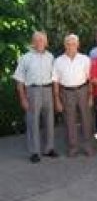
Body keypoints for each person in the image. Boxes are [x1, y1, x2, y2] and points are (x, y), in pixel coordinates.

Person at [13, 31, 58, 163]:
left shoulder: (50, 57)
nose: (39, 43)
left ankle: (49, 148)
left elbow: (55, 76)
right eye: (37, 40)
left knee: (49, 120)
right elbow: (19, 80)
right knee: (33, 122)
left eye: (42, 40)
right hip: (32, 91)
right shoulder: (25, 58)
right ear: (33, 42)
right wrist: (23, 98)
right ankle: (34, 152)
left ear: (46, 42)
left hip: (48, 90)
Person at [53, 34, 93, 157]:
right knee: (69, 120)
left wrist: (91, 96)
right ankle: (73, 147)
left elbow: (90, 79)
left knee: (86, 119)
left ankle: (87, 146)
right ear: (65, 45)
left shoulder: (85, 59)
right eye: (68, 44)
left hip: (83, 90)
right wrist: (57, 99)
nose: (71, 46)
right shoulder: (58, 61)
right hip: (66, 92)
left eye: (74, 44)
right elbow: (55, 81)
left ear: (78, 45)